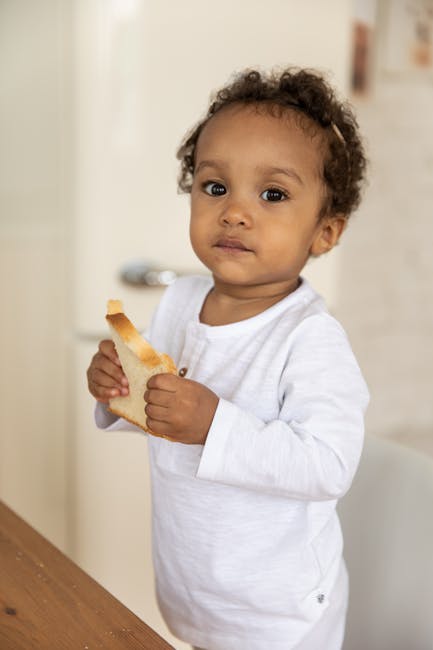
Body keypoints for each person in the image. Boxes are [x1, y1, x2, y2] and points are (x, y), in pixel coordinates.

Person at [87, 67, 369, 650]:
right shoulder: (183, 300)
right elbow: (156, 404)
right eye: (216, 187)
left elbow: (328, 465)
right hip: (198, 591)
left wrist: (215, 424)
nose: (236, 212)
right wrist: (115, 388)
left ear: (325, 232)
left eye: (273, 194)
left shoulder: (310, 338)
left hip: (280, 614)